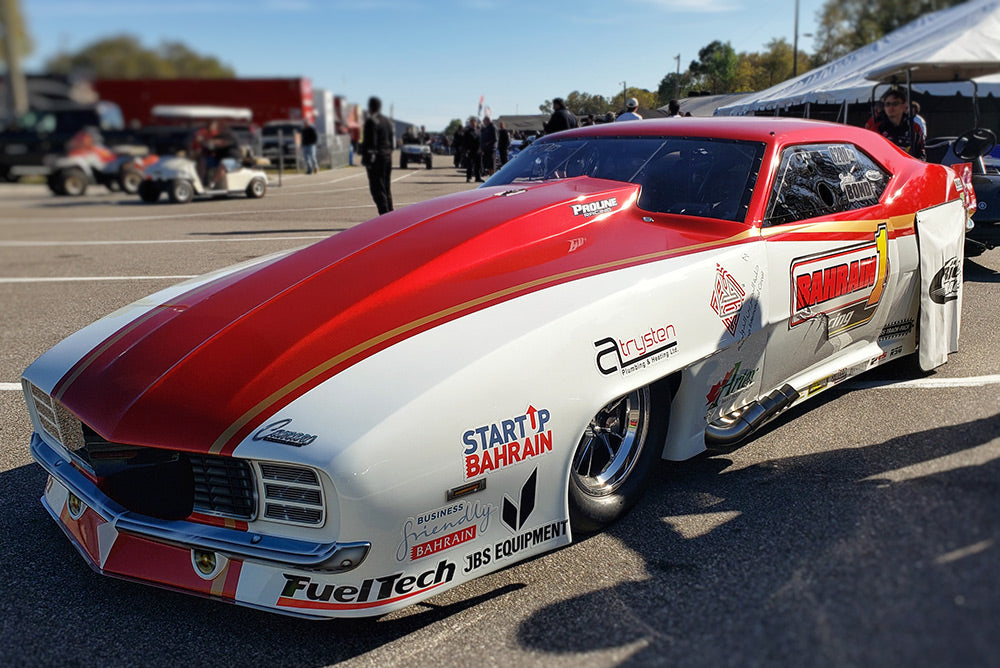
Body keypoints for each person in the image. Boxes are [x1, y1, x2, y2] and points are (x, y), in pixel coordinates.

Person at [362, 96, 395, 214]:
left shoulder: (372, 121)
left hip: (377, 159)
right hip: (387, 156)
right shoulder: (387, 121)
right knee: (386, 187)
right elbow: (392, 142)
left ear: (370, 107)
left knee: (377, 188)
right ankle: (390, 212)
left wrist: (368, 160)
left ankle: (384, 215)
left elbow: (371, 143)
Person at [871, 89, 926, 160]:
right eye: (887, 104)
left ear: (904, 106)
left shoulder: (914, 128)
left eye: (895, 104)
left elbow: (921, 152)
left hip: (909, 167)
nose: (891, 107)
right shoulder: (877, 128)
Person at [465, 117, 483, 183]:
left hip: (478, 151)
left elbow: (481, 141)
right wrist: (466, 150)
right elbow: (465, 142)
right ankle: (468, 178)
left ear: (476, 123)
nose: (473, 124)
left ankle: (478, 178)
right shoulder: (467, 132)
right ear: (470, 124)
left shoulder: (478, 131)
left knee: (478, 165)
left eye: (474, 123)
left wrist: (482, 149)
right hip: (471, 150)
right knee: (470, 165)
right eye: (472, 123)